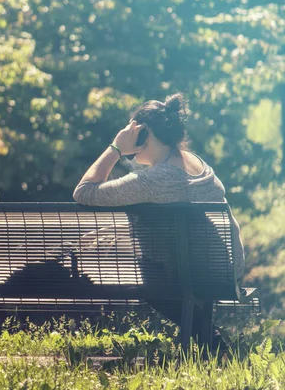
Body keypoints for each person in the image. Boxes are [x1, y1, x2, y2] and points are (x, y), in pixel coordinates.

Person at [72, 93, 244, 351]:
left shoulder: (154, 180)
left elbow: (84, 192)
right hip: (225, 270)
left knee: (148, 277)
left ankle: (213, 343)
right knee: (154, 267)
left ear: (144, 134)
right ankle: (212, 341)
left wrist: (116, 148)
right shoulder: (198, 164)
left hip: (191, 276)